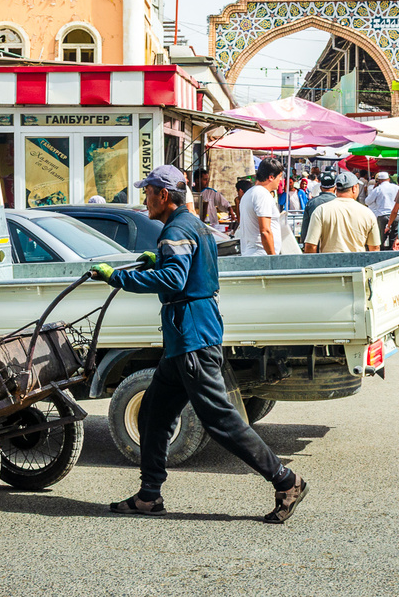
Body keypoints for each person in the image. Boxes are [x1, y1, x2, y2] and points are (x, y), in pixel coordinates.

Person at [91, 165, 307, 523]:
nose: (145, 200)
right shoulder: (194, 225)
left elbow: (175, 279)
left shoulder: (175, 228)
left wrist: (120, 277)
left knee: (221, 421)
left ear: (163, 195)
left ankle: (286, 481)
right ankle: (149, 496)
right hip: (186, 339)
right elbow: (189, 270)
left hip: (191, 340)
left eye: (148, 193)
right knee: (152, 415)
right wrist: (156, 260)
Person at [302, 172, 380, 254]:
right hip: (358, 265)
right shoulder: (367, 213)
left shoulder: (321, 210)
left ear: (336, 188)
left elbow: (310, 245)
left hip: (328, 264)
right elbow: (375, 247)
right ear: (354, 188)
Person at [237, 158, 284, 256]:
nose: (281, 180)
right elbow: (265, 231)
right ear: (271, 177)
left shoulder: (250, 193)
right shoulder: (262, 194)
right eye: (280, 177)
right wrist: (273, 258)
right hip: (261, 255)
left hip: (254, 254)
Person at [299, 171, 337, 242]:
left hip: (315, 245)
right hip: (335, 245)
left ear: (321, 187)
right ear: (335, 188)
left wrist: (304, 244)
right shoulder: (340, 202)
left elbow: (305, 228)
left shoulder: (311, 203)